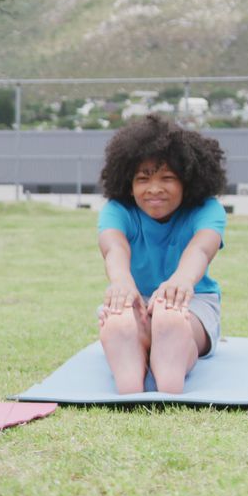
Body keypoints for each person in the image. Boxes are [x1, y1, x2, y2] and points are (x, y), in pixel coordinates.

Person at [96, 113, 227, 394]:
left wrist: (181, 281)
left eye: (167, 178)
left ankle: (169, 369)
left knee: (171, 316)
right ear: (129, 185)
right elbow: (114, 247)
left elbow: (202, 248)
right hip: (136, 298)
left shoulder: (207, 210)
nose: (154, 189)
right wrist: (121, 282)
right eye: (143, 179)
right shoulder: (117, 211)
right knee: (123, 317)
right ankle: (132, 364)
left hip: (193, 301)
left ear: (188, 181)